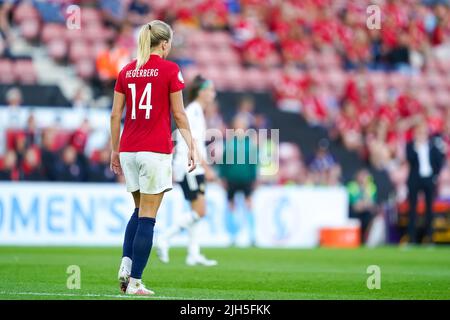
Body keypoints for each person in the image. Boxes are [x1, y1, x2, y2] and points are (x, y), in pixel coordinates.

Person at [110, 20, 196, 296]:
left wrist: (114, 149)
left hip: (128, 150)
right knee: (148, 216)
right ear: (165, 43)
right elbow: (180, 114)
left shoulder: (127, 70)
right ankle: (135, 282)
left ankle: (126, 263)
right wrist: (192, 145)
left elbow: (115, 115)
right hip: (154, 150)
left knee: (137, 211)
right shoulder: (171, 69)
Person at [157, 75, 218, 267]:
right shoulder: (192, 111)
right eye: (210, 90)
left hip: (193, 166)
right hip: (190, 166)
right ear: (201, 92)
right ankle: (164, 238)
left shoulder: (197, 111)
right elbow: (191, 142)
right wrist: (206, 168)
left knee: (196, 210)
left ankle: (193, 253)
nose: (212, 93)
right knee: (200, 211)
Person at [219, 115, 258, 246]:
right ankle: (233, 236)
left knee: (249, 205)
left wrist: (254, 178)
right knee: (231, 206)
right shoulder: (230, 143)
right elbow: (223, 162)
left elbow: (254, 163)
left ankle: (252, 236)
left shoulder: (250, 143)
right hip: (232, 179)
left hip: (246, 179)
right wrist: (223, 177)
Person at [404, 121, 445, 245]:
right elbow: (409, 159)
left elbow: (439, 161)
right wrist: (416, 148)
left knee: (429, 210)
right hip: (415, 180)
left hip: (428, 179)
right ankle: (412, 239)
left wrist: (435, 175)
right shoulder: (411, 146)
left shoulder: (433, 146)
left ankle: (430, 238)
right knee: (412, 210)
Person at [347, 169, 378, 243]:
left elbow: (371, 204)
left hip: (365, 213)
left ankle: (366, 239)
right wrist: (365, 204)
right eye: (362, 175)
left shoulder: (371, 187)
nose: (364, 178)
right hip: (353, 212)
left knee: (370, 217)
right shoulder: (352, 186)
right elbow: (355, 205)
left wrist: (364, 190)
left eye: (366, 176)